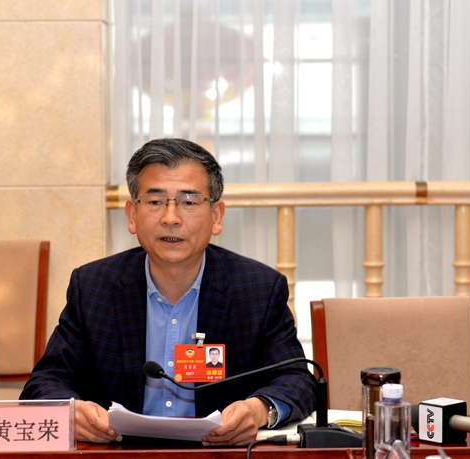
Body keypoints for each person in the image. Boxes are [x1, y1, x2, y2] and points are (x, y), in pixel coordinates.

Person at [20, 138, 316, 446]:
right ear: (132, 215)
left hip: (219, 455)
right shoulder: (94, 287)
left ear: (216, 216)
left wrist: (259, 410)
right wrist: (73, 412)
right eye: (155, 201)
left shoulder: (257, 289)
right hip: (118, 454)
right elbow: (46, 381)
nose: (170, 218)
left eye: (189, 202)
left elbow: (297, 379)